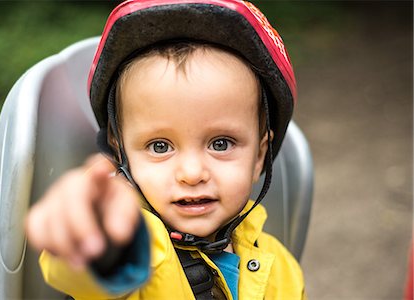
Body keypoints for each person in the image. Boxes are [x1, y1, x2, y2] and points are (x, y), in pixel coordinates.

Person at [25, 0, 306, 299]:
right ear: (121, 155)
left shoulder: (282, 269)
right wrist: (95, 233)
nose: (192, 173)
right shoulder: (140, 253)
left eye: (220, 144)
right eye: (160, 146)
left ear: (259, 156)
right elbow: (92, 269)